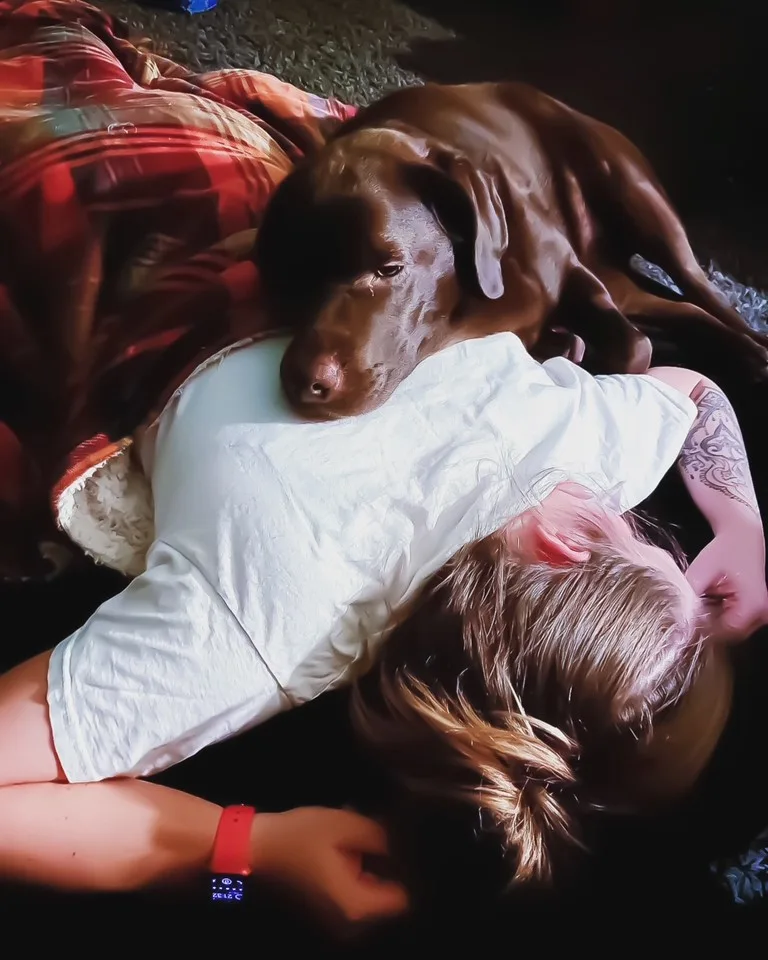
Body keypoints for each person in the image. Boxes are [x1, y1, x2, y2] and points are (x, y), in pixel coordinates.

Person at [0, 333, 765, 924]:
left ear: (567, 544)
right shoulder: (262, 634)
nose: (632, 518)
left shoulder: (569, 444)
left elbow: (693, 392)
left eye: (652, 542)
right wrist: (244, 855)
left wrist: (741, 525)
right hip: (114, 345)